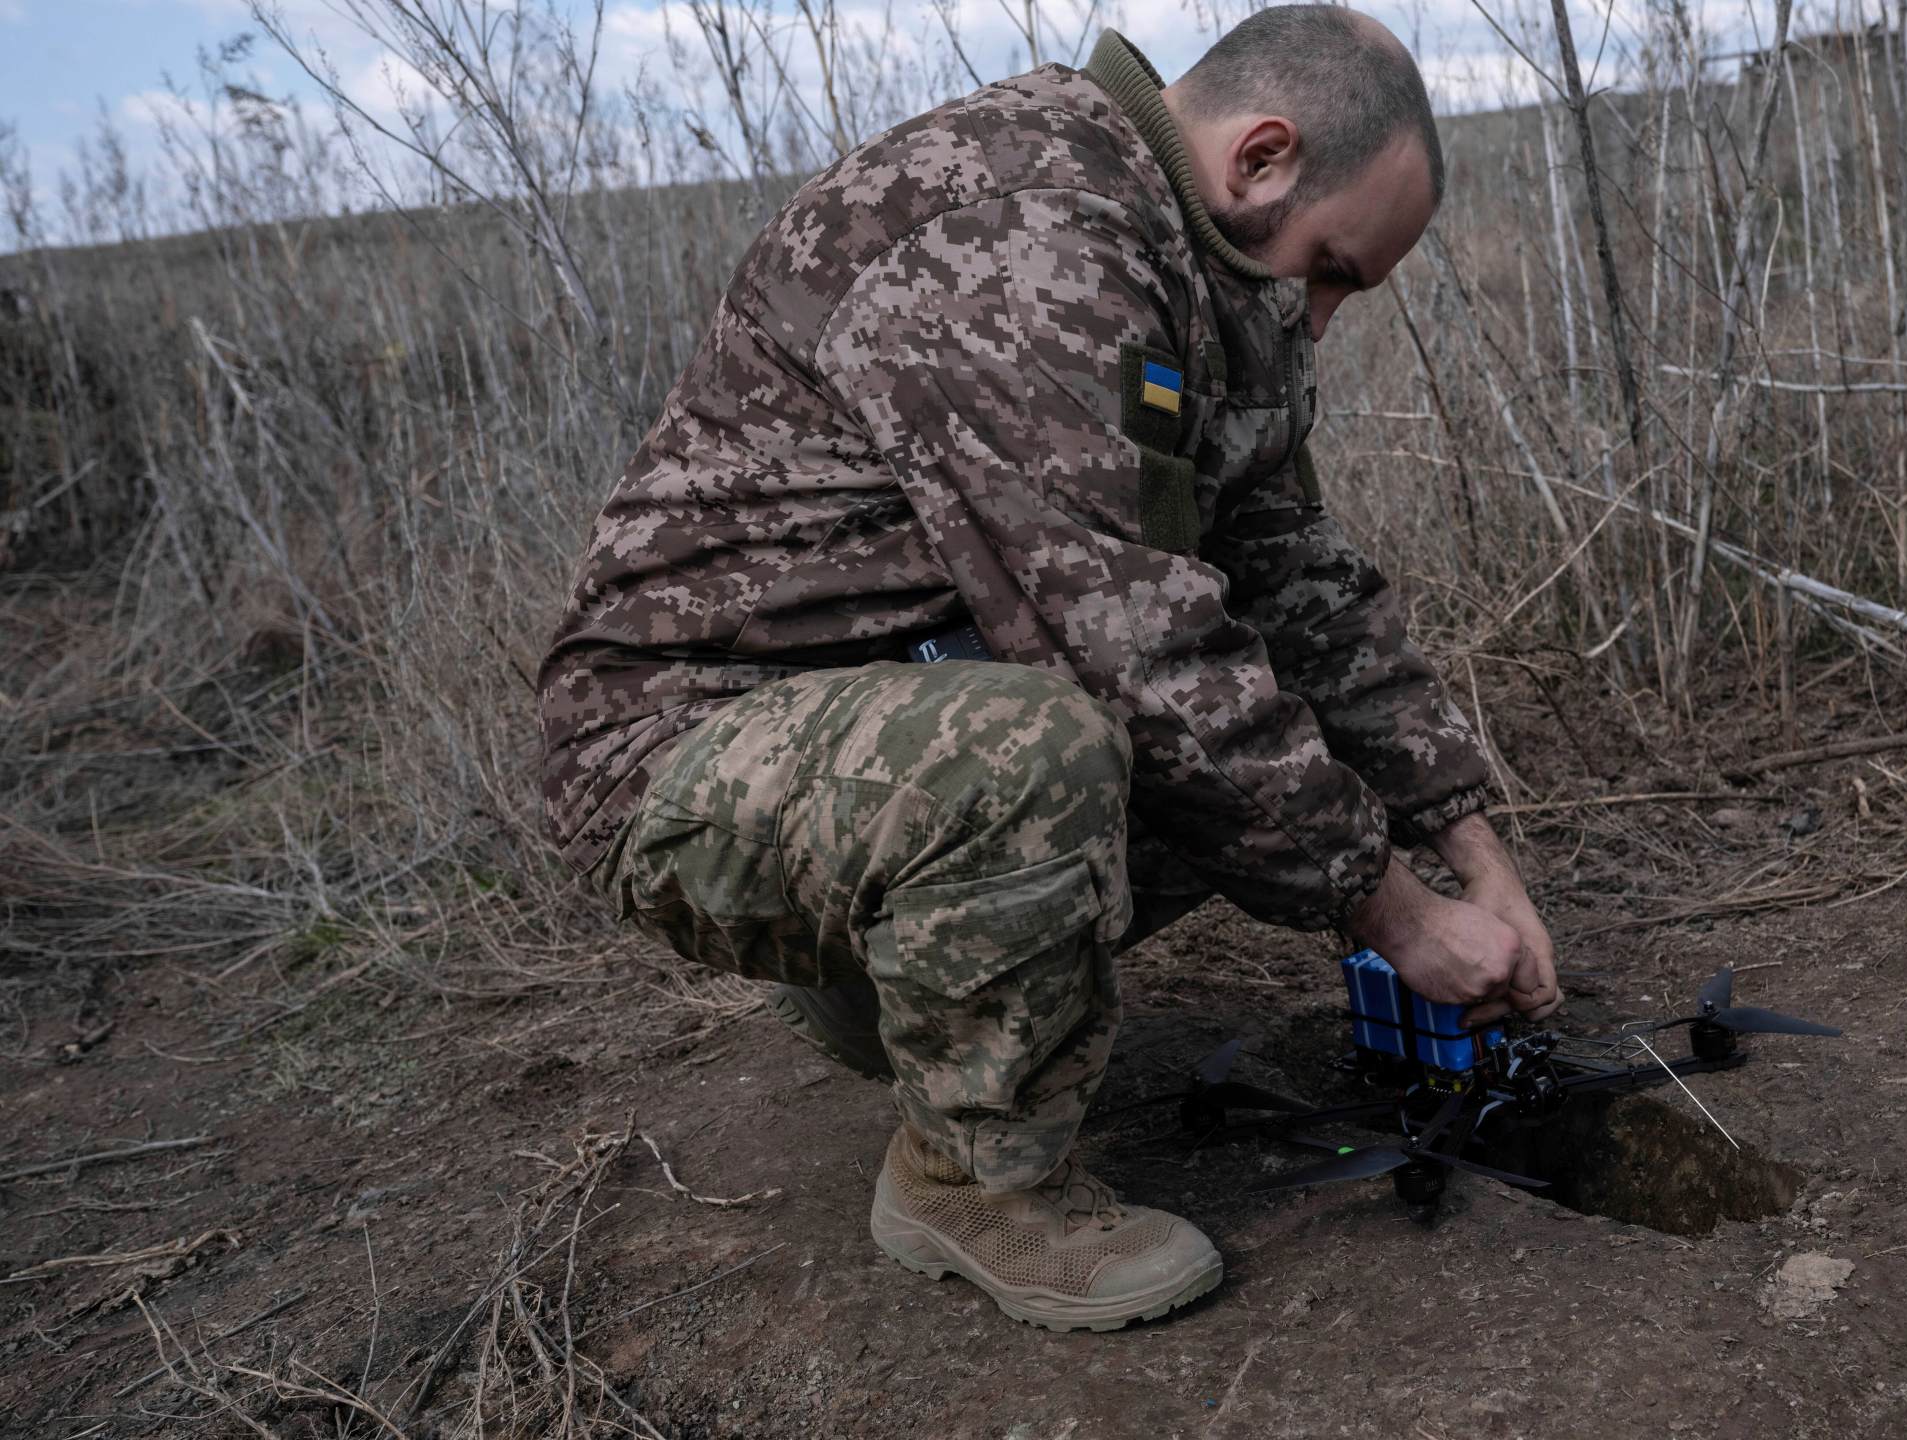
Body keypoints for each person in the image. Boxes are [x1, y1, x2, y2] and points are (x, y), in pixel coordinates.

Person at [538, 6, 1560, 1333]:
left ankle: (887, 969)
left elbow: (1298, 585)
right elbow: (1132, 646)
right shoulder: (1026, 233)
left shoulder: (1195, 272)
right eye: (1333, 272)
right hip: (680, 743)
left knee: (1224, 769)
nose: (1323, 320)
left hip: (882, 712)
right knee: (1075, 746)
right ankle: (972, 1184)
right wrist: (1399, 920)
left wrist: (1472, 852)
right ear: (1260, 159)